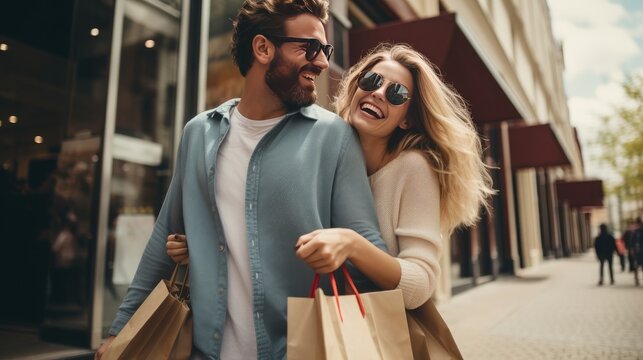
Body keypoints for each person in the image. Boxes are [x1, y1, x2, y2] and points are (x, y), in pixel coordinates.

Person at [96, 1, 387, 359]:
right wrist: (119, 332)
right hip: (205, 350)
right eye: (310, 47)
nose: (323, 62)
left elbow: (369, 253)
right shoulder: (199, 133)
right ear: (263, 48)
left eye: (324, 50)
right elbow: (162, 241)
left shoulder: (334, 137)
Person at [170, 43, 494, 311]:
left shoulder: (412, 168)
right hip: (299, 319)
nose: (379, 93)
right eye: (370, 81)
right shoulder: (320, 146)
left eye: (396, 94)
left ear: (407, 120)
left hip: (363, 329)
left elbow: (420, 284)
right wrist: (208, 242)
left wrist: (353, 244)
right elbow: (281, 236)